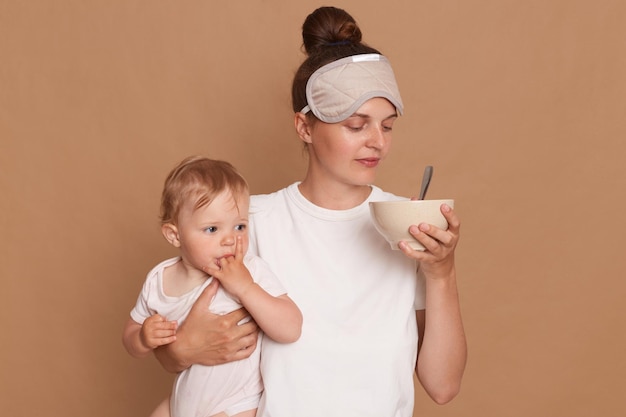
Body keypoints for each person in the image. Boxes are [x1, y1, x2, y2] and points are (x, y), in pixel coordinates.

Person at [155, 6, 467, 417]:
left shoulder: (406, 225)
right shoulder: (249, 224)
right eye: (356, 125)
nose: (377, 141)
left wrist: (441, 272)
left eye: (387, 126)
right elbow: (178, 345)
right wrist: (179, 349)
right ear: (304, 127)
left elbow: (442, 386)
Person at [122, 156, 302, 417]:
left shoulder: (249, 270)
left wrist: (245, 288)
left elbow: (291, 327)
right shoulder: (159, 280)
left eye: (239, 226)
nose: (230, 239)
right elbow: (130, 335)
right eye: (212, 229)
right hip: (181, 403)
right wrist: (142, 337)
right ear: (175, 235)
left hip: (234, 406)